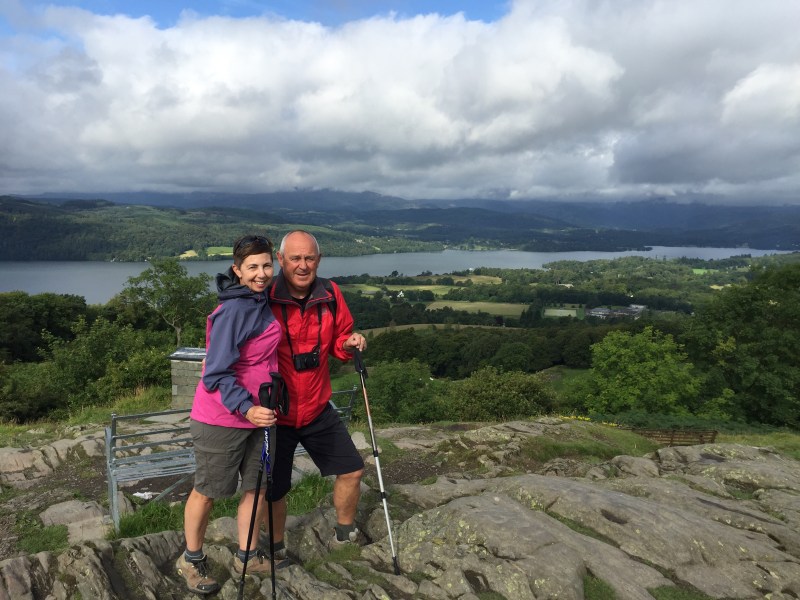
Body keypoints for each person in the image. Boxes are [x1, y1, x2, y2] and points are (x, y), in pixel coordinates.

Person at [175, 234, 280, 595]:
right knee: (207, 491)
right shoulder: (235, 310)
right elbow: (215, 372)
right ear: (237, 270)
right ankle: (190, 559)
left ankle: (247, 556)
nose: (262, 273)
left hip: (260, 416)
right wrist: (247, 407)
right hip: (223, 418)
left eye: (267, 265)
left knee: (256, 489)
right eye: (252, 267)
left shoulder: (261, 300)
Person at [265, 230, 367, 558]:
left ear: (318, 260)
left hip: (317, 406)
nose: (303, 265)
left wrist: (350, 344)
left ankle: (344, 534)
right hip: (276, 413)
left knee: (352, 469)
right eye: (295, 258)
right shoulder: (263, 296)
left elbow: (340, 340)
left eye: (309, 258)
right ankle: (276, 546)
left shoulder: (331, 293)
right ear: (281, 260)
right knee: (274, 489)